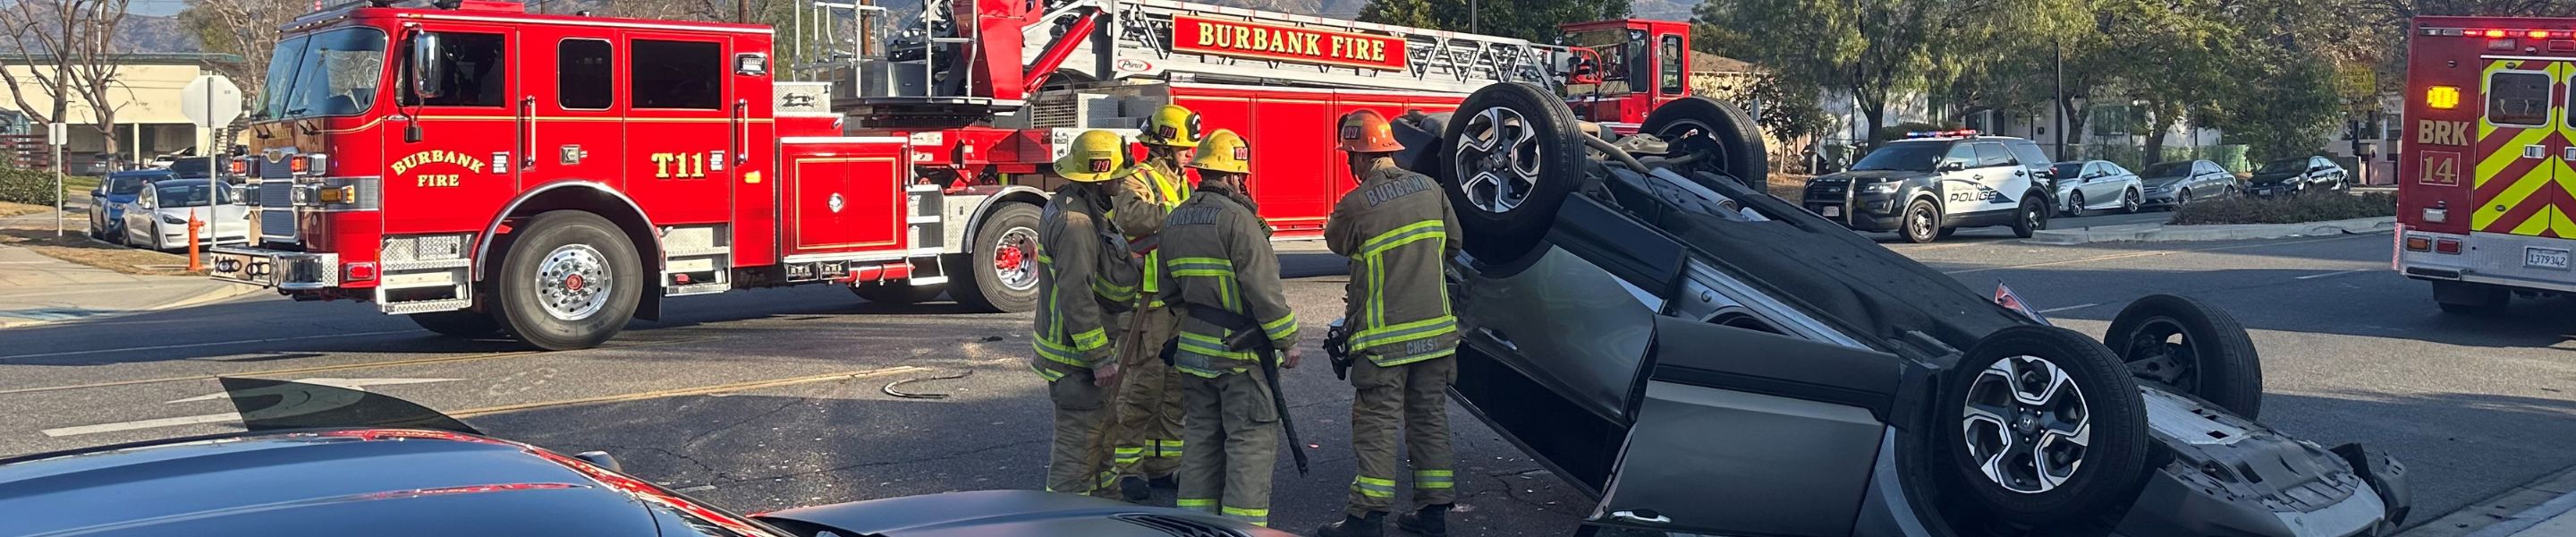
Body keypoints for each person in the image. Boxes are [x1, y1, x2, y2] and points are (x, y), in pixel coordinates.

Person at [1315, 110, 1464, 537]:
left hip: (1383, 343)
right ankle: (1433, 514)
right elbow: (1454, 244)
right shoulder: (1432, 190)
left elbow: (1336, 241)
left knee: (1377, 425)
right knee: (1429, 418)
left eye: (1349, 156)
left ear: (1358, 158)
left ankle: (1368, 518)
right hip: (1436, 336)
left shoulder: (1355, 205)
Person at [1158, 129, 1301, 527]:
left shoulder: (1175, 218)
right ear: (1236, 176)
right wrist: (1288, 340)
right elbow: (1264, 290)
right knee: (1249, 440)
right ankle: (1243, 528)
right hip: (1239, 357)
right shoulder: (1239, 220)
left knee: (1201, 438)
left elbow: (1167, 290)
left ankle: (1196, 526)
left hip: (1194, 353)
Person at [1032, 129, 1144, 499]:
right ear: (1099, 175)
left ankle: (1104, 516)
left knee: (1099, 444)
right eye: (1118, 172)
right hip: (1075, 359)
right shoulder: (1076, 224)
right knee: (1077, 453)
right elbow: (1076, 293)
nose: (1125, 177)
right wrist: (1099, 359)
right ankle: (1063, 522)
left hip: (1075, 353)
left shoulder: (1080, 208)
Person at [1106, 104, 1201, 500]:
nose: (1190, 152)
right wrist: (1187, 214)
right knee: (1140, 388)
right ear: (1162, 145)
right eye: (1182, 145)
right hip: (1145, 303)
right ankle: (1124, 469)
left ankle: (1163, 464)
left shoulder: (1184, 183)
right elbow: (1132, 220)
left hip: (1176, 300)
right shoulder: (1136, 180)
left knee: (1175, 387)